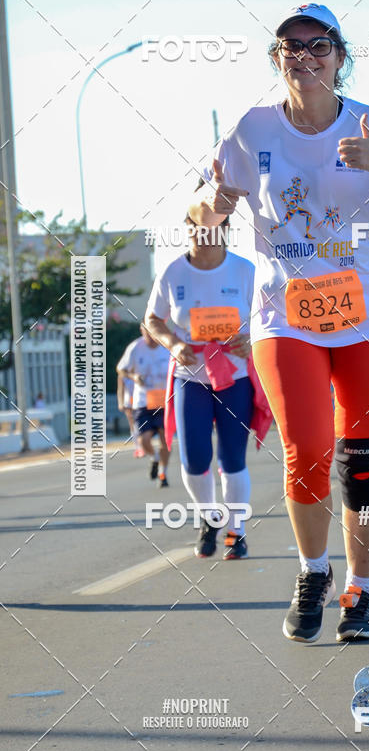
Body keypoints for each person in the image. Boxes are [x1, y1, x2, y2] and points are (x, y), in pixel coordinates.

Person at [188, 2, 369, 643]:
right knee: (307, 450)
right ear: (277, 58)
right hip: (286, 319)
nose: (304, 56)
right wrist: (213, 205)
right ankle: (313, 573)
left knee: (363, 458)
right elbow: (199, 227)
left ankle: (360, 590)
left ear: (339, 57)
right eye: (290, 46)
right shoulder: (250, 132)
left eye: (319, 45)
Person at [145, 207, 262, 560]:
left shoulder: (245, 271)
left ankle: (236, 532)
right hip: (190, 377)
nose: (201, 234)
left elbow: (272, 315)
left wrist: (252, 336)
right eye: (194, 227)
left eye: (211, 227)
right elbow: (153, 319)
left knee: (232, 459)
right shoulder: (173, 272)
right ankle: (210, 518)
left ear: (226, 230)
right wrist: (175, 344)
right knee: (195, 458)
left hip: (235, 376)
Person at [117, 325, 171, 486]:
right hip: (143, 402)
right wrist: (133, 376)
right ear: (142, 331)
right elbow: (121, 370)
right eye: (147, 332)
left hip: (164, 400)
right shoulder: (135, 348)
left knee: (164, 440)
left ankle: (163, 473)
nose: (150, 336)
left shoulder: (166, 346)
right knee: (143, 440)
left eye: (153, 332)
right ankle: (154, 459)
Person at [117, 372, 143, 457]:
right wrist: (120, 402)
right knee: (132, 425)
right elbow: (120, 389)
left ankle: (142, 445)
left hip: (139, 400)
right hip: (128, 402)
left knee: (140, 424)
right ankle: (137, 448)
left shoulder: (139, 370)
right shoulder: (122, 375)